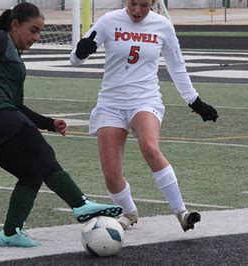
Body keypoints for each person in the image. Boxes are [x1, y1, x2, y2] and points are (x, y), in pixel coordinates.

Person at [0, 2, 122, 248]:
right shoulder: (0, 39)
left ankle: (11, 233)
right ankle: (80, 204)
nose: (36, 37)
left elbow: (17, 105)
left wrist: (49, 123)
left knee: (32, 172)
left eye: (39, 32)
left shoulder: (12, 54)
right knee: (43, 153)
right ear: (15, 25)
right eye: (33, 30)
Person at [70, 0, 218, 231]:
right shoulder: (109, 21)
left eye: (144, 5)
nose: (137, 11)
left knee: (150, 146)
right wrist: (80, 52)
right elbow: (75, 59)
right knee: (111, 174)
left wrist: (195, 102)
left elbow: (176, 66)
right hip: (111, 103)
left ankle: (181, 213)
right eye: (133, 4)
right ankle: (129, 213)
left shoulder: (162, 26)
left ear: (153, 4)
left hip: (145, 99)